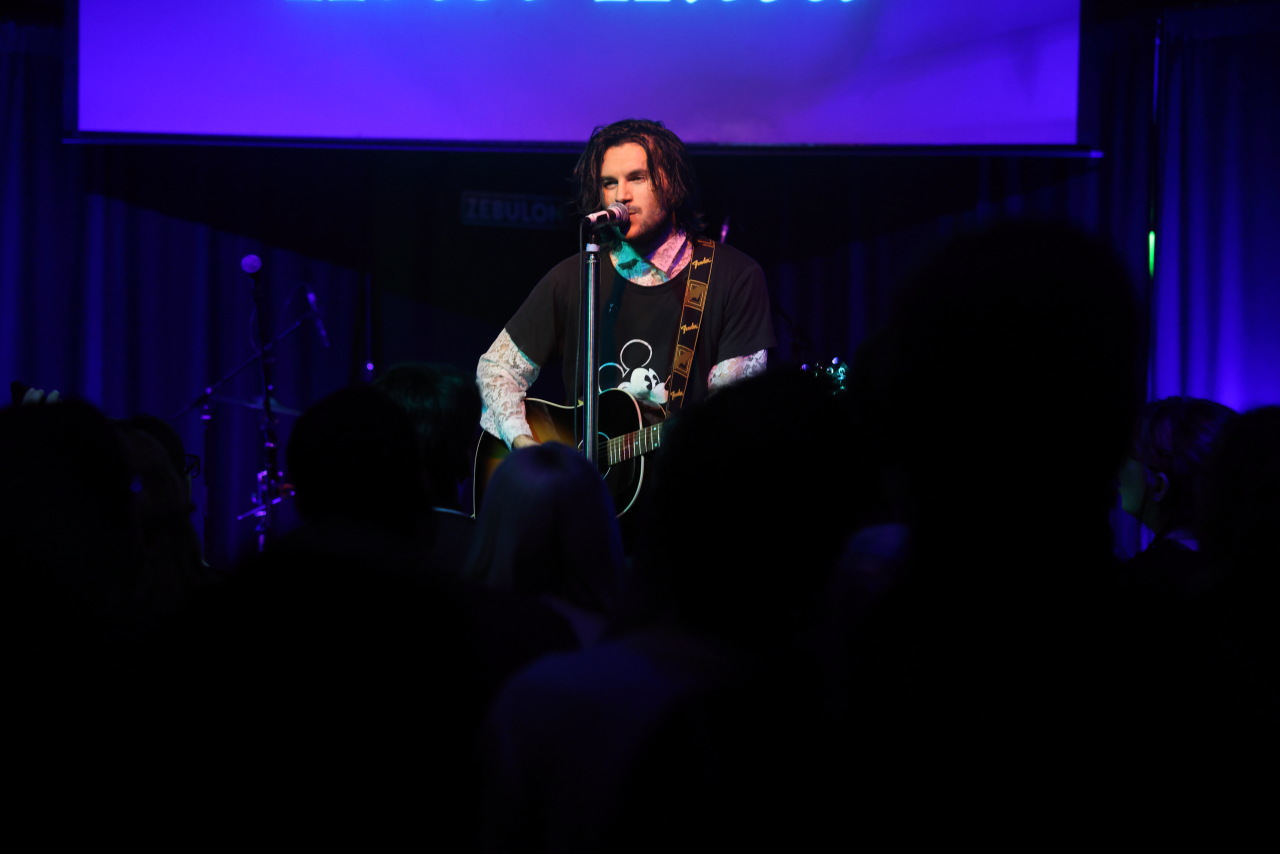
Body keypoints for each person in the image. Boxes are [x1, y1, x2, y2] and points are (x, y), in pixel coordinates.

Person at [476, 119, 775, 457]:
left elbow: (732, 413)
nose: (621, 196)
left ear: (673, 184)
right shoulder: (572, 278)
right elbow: (496, 369)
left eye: (637, 178)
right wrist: (522, 443)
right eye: (609, 183)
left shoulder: (734, 277)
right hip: (588, 489)